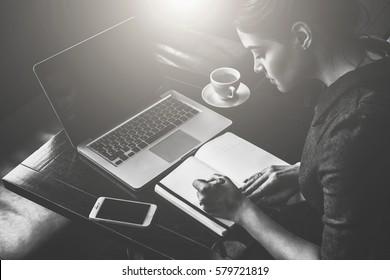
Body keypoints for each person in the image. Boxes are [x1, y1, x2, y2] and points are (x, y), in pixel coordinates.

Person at [193, 0, 390, 259]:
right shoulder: (374, 49)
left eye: (260, 51)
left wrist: (240, 210)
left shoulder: (352, 125)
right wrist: (306, 171)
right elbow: (372, 164)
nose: (256, 67)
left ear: (301, 36)